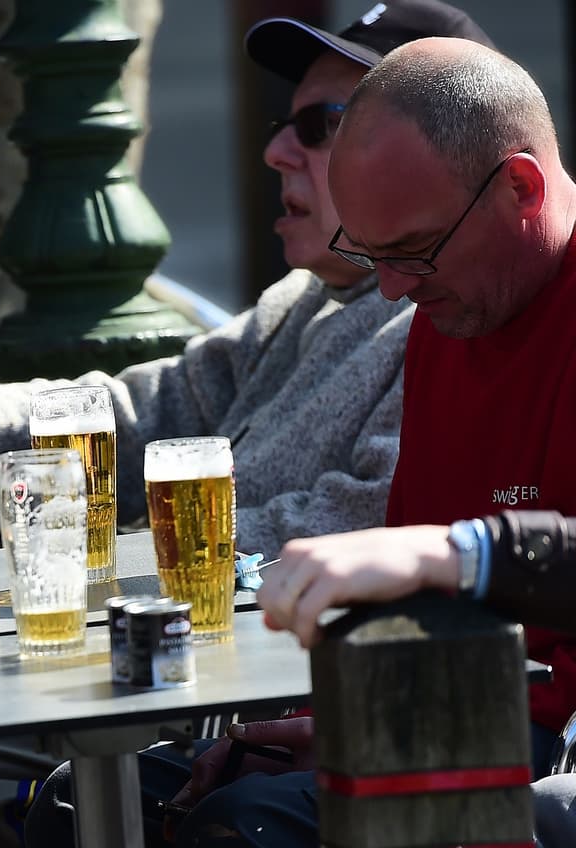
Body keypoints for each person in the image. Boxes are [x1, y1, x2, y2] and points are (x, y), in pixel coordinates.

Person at [0, 0, 463, 559]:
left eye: (322, 126)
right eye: (286, 121)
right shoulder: (303, 297)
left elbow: (359, 526)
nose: (276, 150)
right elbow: (145, 413)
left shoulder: (445, 317)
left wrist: (97, 554)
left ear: (429, 154)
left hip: (271, 688)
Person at [127, 34, 576, 848]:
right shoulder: (445, 319)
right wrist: (327, 719)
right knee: (114, 796)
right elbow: (411, 608)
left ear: (521, 186)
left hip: (538, 750)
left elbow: (440, 565)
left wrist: (453, 554)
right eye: (370, 258)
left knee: (238, 827)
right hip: (446, 715)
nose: (397, 289)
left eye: (412, 252)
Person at [258, 516, 576, 848]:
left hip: (520, 723)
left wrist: (463, 551)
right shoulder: (421, 463)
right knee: (219, 789)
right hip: (420, 709)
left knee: (251, 812)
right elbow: (388, 627)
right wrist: (328, 722)